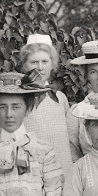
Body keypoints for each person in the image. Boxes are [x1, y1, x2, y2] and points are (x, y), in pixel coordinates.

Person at [20, 33, 74, 171]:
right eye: (34, 62)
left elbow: (69, 139)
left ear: (52, 64)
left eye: (45, 61)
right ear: (25, 66)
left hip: (62, 166)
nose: (40, 67)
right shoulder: (19, 97)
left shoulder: (60, 98)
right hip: (32, 169)